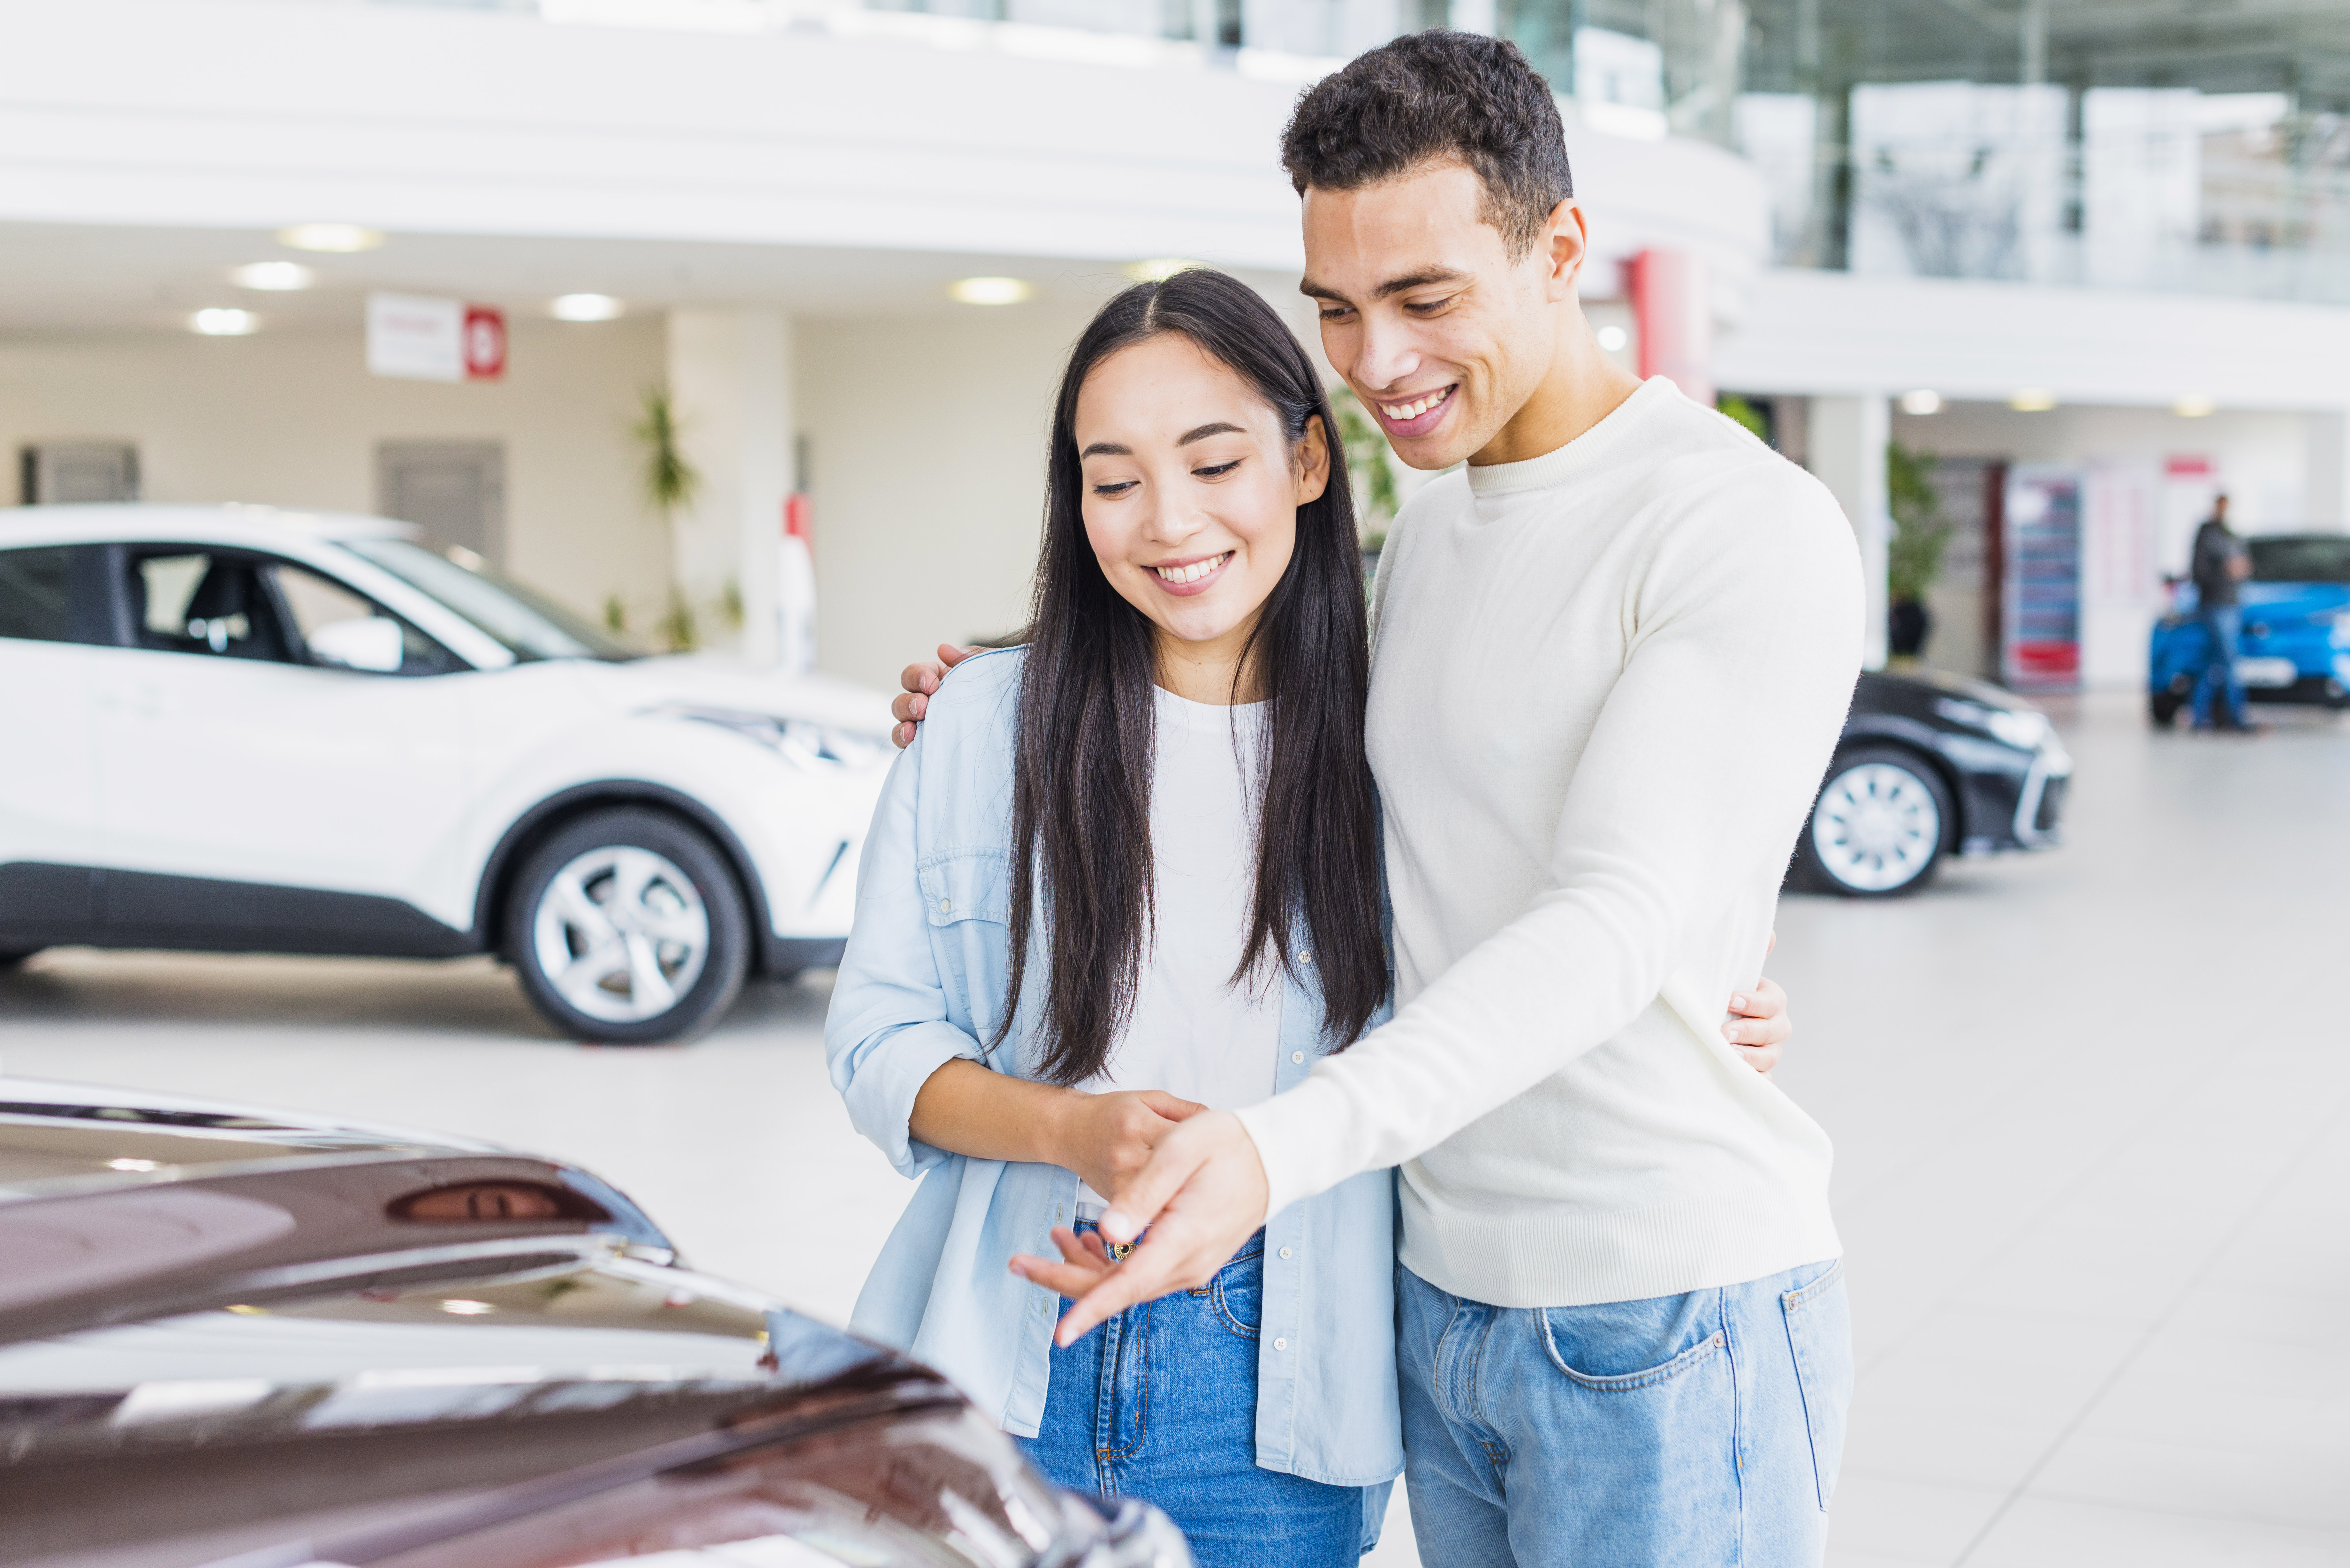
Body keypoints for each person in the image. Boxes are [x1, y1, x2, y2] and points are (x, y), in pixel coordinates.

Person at [898, 33, 1867, 1566]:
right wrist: (993, 696)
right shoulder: (1426, 538)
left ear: (1559, 247)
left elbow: (1617, 911)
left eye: (1423, 299)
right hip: (1436, 1302)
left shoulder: (1739, 524)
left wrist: (1278, 1145)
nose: (1374, 361)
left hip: (1657, 1306)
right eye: (1336, 309)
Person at [2189, 493, 2254, 732]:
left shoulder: (2233, 536)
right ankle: (2236, 718)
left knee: (2216, 661)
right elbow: (2199, 573)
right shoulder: (2207, 535)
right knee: (2229, 661)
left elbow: (2245, 567)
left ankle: (2198, 717)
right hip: (2215, 604)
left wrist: (2240, 569)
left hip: (2232, 603)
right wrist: (2224, 570)